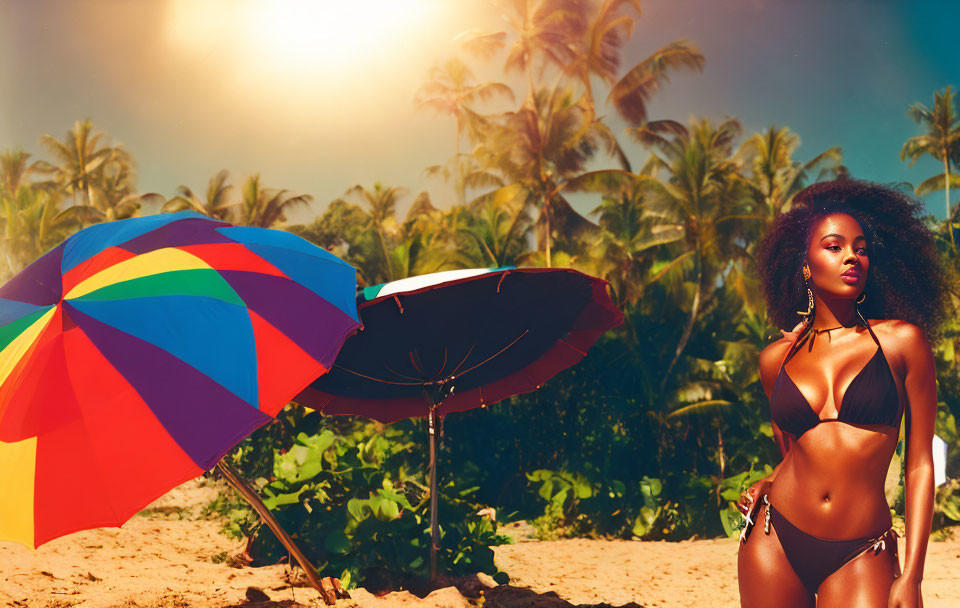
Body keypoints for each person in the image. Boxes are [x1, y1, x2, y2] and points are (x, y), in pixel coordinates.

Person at [736, 178, 949, 607]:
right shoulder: (776, 359)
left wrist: (913, 576)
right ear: (805, 266)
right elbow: (795, 449)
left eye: (861, 248)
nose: (852, 255)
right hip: (774, 535)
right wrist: (771, 480)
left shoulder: (901, 343)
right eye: (835, 246)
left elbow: (920, 464)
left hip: (861, 549)